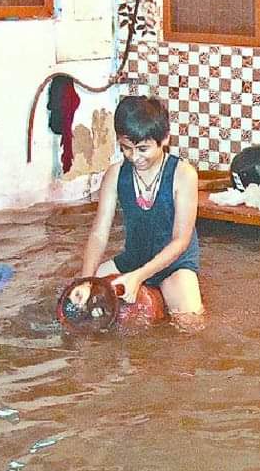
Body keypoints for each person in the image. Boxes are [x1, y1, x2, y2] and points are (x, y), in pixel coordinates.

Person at [75, 95, 203, 315]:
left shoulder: (183, 174)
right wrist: (86, 280)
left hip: (174, 265)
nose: (134, 157)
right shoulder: (115, 175)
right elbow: (98, 233)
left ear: (164, 140)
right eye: (126, 148)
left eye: (143, 149)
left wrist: (139, 277)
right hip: (133, 259)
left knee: (189, 323)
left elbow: (181, 240)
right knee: (78, 303)